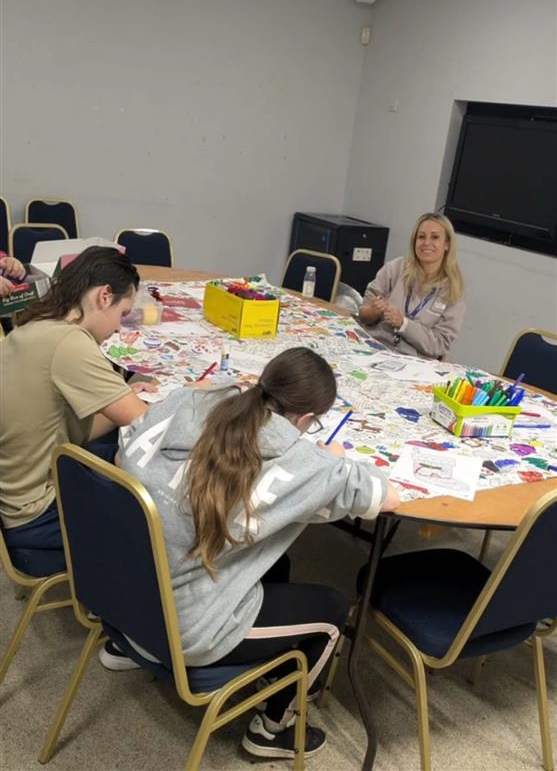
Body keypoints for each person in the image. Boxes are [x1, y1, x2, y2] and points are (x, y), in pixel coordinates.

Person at [111, 346, 399, 760]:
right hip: (179, 628)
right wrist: (331, 460)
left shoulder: (186, 402)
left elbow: (122, 453)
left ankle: (128, 649)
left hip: (118, 597)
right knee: (332, 611)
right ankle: (273, 729)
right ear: (305, 420)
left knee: (274, 564)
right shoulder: (302, 461)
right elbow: (386, 497)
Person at [0, 246, 153, 576]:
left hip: (13, 495)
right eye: (122, 313)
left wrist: (121, 396)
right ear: (103, 296)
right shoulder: (70, 344)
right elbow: (147, 424)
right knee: (157, 507)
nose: (117, 328)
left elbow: (68, 426)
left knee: (115, 437)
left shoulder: (34, 325)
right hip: (34, 515)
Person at [359, 212, 465, 359]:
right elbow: (363, 316)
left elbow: (440, 345)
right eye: (421, 237)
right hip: (375, 349)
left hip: (414, 363)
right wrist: (373, 311)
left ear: (447, 244)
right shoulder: (395, 268)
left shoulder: (453, 290)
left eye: (435, 237)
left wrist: (404, 324)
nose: (426, 243)